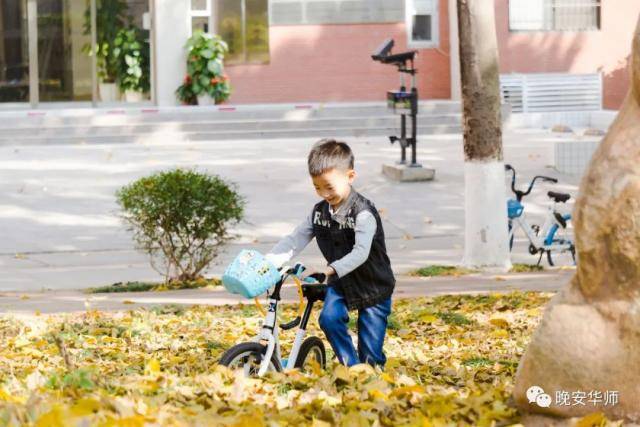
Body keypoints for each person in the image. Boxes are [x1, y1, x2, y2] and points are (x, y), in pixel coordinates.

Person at [266, 139, 395, 367]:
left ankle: (370, 371)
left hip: (374, 285)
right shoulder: (319, 212)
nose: (324, 194)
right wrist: (267, 262)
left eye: (329, 187)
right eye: (317, 187)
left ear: (350, 176)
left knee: (371, 354)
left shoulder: (363, 213)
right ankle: (351, 367)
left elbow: (361, 253)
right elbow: (295, 239)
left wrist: (329, 270)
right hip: (342, 283)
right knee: (329, 319)